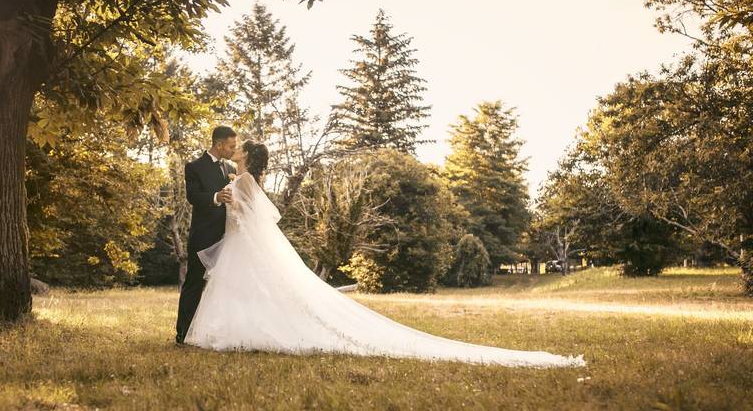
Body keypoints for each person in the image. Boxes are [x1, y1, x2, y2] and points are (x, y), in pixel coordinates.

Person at [185, 140, 586, 368]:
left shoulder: (246, 180)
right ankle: (235, 332)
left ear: (249, 158)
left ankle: (243, 333)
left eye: (240, 152)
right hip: (240, 246)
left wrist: (229, 201)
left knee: (250, 290)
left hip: (245, 247)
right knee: (245, 292)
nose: (235, 152)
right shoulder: (239, 178)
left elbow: (260, 215)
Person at [175, 126, 237, 345]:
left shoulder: (231, 167)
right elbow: (193, 197)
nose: (233, 150)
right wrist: (216, 197)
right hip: (203, 235)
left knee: (225, 285)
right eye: (231, 146)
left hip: (228, 236)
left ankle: (217, 332)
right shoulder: (194, 167)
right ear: (218, 144)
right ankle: (182, 334)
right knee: (194, 283)